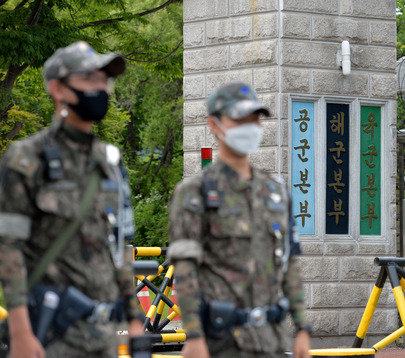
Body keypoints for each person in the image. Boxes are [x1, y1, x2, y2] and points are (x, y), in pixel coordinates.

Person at [0, 41, 144, 358]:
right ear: (58, 89)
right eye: (89, 79)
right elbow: (8, 249)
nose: (101, 88)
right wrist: (21, 332)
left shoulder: (110, 162)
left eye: (104, 80)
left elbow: (120, 249)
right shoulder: (26, 158)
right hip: (51, 335)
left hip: (104, 336)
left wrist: (135, 319)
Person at [168, 81, 312, 358]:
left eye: (255, 119)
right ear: (215, 124)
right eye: (239, 119)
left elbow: (290, 264)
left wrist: (303, 327)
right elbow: (185, 270)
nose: (250, 126)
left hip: (270, 339)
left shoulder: (276, 191)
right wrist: (194, 335)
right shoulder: (194, 192)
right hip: (221, 342)